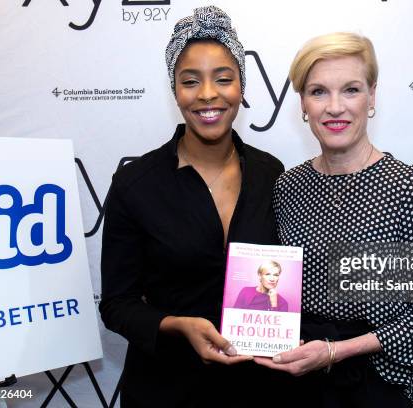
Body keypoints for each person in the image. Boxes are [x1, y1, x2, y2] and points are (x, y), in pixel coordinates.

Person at [255, 33, 413, 407]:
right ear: (302, 103)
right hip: (303, 380)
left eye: (350, 90)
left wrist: (337, 351)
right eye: (318, 92)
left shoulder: (409, 188)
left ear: (372, 96)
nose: (335, 107)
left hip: (381, 381)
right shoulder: (287, 186)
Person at [99, 6, 284, 407]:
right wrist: (176, 325)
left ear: (241, 86)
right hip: (165, 388)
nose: (207, 95)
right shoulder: (136, 184)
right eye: (190, 81)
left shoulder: (272, 173)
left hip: (258, 390)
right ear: (175, 90)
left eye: (223, 79)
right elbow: (116, 304)